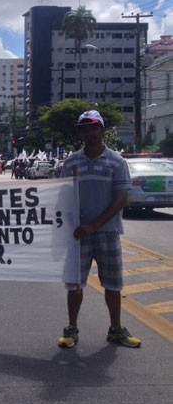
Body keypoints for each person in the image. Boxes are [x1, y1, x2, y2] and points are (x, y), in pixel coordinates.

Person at [58, 110, 141, 349]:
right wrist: (72, 215)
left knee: (113, 285)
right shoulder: (72, 161)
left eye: (94, 127)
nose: (90, 132)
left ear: (102, 130)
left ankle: (116, 329)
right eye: (85, 128)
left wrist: (93, 225)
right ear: (80, 133)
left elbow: (120, 199)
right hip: (77, 235)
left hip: (107, 232)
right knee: (74, 284)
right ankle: (71, 328)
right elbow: (63, 194)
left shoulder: (116, 161)